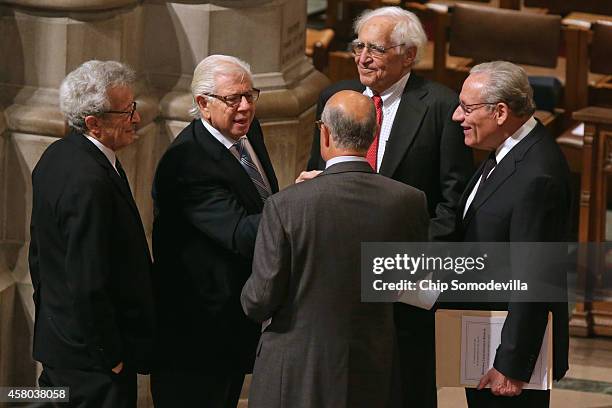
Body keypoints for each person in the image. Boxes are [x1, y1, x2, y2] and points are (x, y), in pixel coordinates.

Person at [303, 7, 474, 406]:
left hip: (405, 286)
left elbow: (453, 203)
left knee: (403, 390)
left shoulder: (439, 108)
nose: (362, 58)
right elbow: (320, 171)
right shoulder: (335, 97)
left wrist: (404, 265)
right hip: (338, 279)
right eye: (359, 46)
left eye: (375, 49)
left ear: (409, 55)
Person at [241, 90, 429, 408]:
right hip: (371, 367)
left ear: (324, 134)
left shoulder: (285, 205)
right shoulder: (409, 201)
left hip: (296, 371)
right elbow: (419, 291)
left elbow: (259, 300)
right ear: (374, 135)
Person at [150, 55, 278, 408]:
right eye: (233, 98)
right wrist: (300, 206)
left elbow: (262, 201)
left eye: (250, 95)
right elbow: (240, 233)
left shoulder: (249, 129)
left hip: (235, 319)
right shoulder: (187, 164)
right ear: (203, 104)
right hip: (198, 332)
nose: (245, 107)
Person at [29, 60, 155, 408]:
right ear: (93, 124)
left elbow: (40, 259)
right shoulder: (89, 181)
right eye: (126, 111)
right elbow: (88, 278)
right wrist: (110, 354)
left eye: (134, 106)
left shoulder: (57, 156)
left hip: (62, 343)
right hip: (92, 362)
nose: (137, 118)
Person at [451, 61, 570, 407]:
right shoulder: (505, 151)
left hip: (509, 358)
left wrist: (512, 365)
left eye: (467, 108)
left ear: (500, 112)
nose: (458, 116)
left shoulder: (537, 176)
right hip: (482, 338)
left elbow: (533, 277)